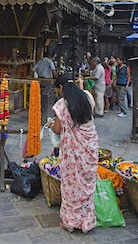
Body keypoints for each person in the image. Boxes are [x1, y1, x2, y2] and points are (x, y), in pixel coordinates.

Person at [48, 74, 98, 233]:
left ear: (61, 88)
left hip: (72, 152)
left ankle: (71, 221)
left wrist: (50, 124)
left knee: (72, 185)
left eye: (58, 90)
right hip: (89, 147)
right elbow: (89, 116)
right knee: (86, 184)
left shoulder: (61, 105)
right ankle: (86, 221)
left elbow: (57, 128)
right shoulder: (88, 97)